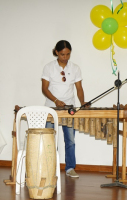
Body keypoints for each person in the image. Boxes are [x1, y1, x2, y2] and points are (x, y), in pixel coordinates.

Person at [41, 40, 87, 178]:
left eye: (68, 54)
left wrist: (83, 102)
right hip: (51, 108)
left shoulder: (75, 68)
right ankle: (50, 168)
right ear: (56, 52)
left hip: (69, 108)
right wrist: (55, 100)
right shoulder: (48, 67)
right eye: (62, 54)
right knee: (50, 139)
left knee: (70, 140)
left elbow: (79, 88)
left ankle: (70, 168)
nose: (65, 57)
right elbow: (44, 88)